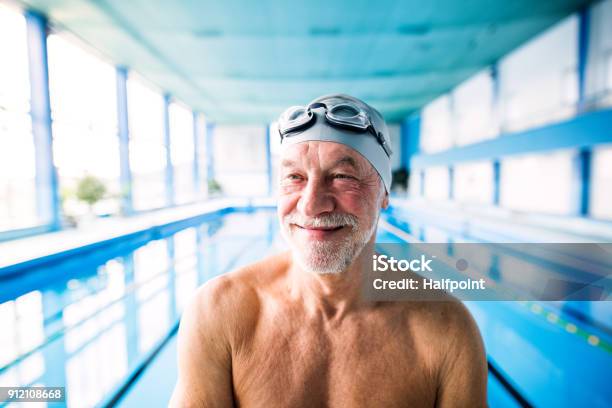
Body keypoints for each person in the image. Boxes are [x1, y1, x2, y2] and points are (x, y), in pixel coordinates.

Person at [169, 94, 487, 407]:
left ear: (385, 193)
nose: (311, 203)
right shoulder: (220, 312)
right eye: (295, 177)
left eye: (341, 176)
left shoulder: (447, 330)